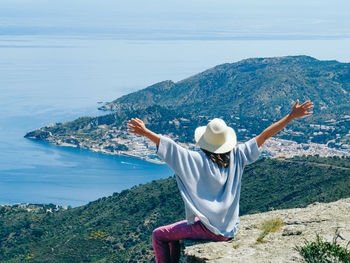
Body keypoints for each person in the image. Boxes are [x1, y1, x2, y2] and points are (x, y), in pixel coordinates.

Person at [126, 99, 314, 263]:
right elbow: (264, 136)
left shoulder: (195, 159)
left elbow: (169, 146)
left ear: (204, 141)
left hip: (210, 230)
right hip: (229, 228)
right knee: (174, 235)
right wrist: (290, 116)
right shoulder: (238, 156)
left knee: (159, 235)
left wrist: (144, 131)